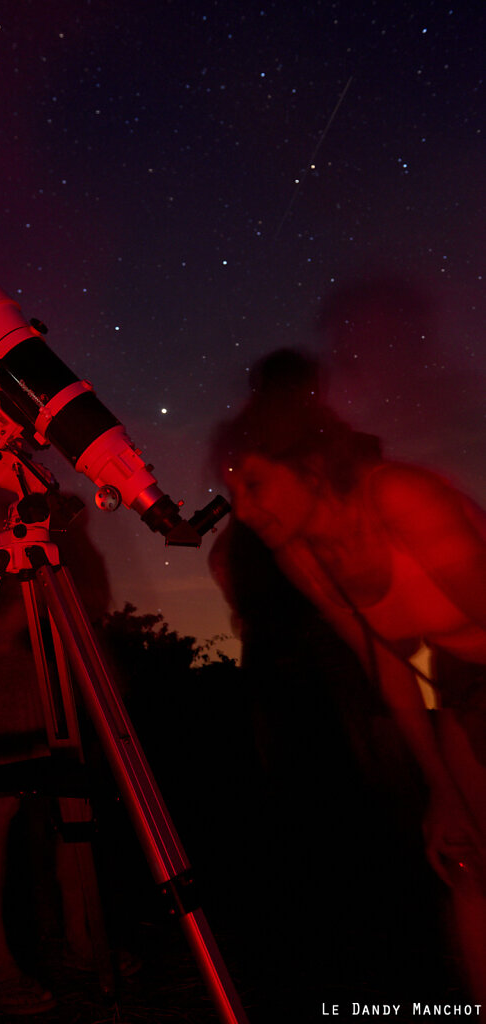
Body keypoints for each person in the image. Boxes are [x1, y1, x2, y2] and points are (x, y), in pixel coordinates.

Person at [212, 348, 486, 1003]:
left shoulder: (398, 498)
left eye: (253, 485)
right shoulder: (302, 556)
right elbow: (390, 667)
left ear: (308, 466)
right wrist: (439, 789)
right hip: (457, 692)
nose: (243, 512)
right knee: (466, 866)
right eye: (231, 494)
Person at [0, 483, 115, 1015]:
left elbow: (93, 596)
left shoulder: (39, 511)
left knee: (73, 804)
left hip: (47, 676)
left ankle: (83, 940)